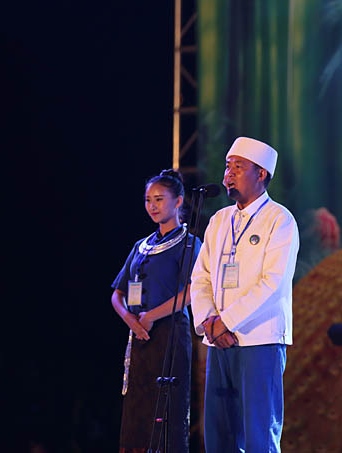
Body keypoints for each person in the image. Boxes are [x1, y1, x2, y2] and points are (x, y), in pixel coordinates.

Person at [190, 137, 300, 453]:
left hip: (260, 340)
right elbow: (200, 277)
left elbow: (273, 283)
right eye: (227, 167)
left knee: (258, 437)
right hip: (218, 340)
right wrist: (209, 322)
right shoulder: (219, 220)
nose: (228, 174)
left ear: (261, 173)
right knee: (218, 436)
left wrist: (226, 322)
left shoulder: (280, 219)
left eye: (238, 167)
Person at [111, 169, 201, 453]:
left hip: (169, 335)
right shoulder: (141, 246)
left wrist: (151, 316)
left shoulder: (188, 244)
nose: (152, 205)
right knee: (137, 408)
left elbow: (192, 291)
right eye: (148, 199)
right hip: (140, 335)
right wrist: (130, 319)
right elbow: (117, 293)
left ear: (178, 201)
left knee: (167, 406)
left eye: (159, 199)